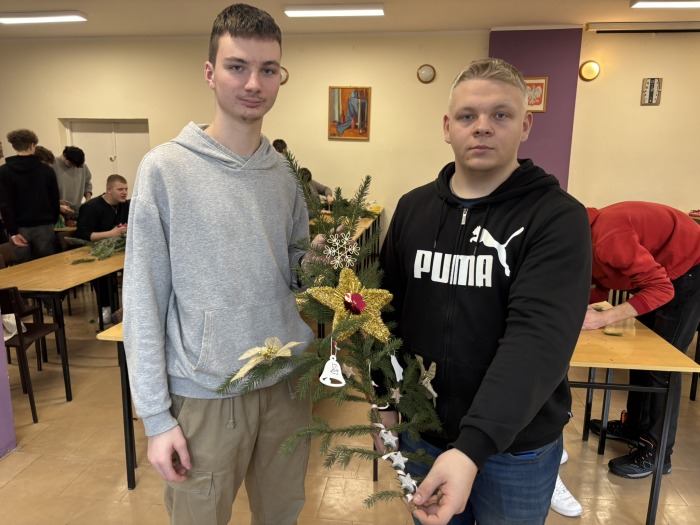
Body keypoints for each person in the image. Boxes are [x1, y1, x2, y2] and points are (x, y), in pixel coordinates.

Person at [122, 4, 316, 524]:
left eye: (268, 69)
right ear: (210, 73)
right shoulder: (165, 169)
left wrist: (318, 263)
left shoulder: (283, 175)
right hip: (207, 392)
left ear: (280, 77)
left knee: (282, 515)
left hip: (286, 381)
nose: (253, 83)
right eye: (237, 67)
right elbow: (142, 298)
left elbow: (294, 271)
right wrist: (156, 418)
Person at [378, 58, 591, 524]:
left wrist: (472, 448)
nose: (482, 127)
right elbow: (382, 315)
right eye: (467, 115)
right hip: (424, 434)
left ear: (525, 125)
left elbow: (537, 342)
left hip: (516, 450)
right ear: (447, 127)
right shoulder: (413, 209)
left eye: (500, 114)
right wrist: (384, 400)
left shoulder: (557, 218)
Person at [585, 201, 700, 479]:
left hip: (689, 269)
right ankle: (634, 428)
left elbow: (661, 289)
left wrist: (602, 318)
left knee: (662, 363)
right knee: (641, 355)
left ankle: (657, 454)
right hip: (662, 274)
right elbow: (601, 285)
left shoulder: (607, 238)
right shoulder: (588, 236)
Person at [75, 174, 130, 324]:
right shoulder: (91, 207)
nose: (124, 192)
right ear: (109, 189)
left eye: (126, 189)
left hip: (117, 249)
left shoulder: (125, 205)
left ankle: (127, 307)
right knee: (102, 273)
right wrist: (110, 234)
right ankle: (106, 307)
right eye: (120, 189)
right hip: (94, 251)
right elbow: (82, 235)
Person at [0, 129, 60, 263]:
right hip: (44, 225)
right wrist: (52, 220)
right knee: (47, 265)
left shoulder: (3, 171)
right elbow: (54, 199)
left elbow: (4, 204)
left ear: (13, 146)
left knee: (23, 268)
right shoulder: (46, 170)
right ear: (32, 146)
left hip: (18, 227)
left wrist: (12, 231)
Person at [53, 145, 93, 213]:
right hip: (57, 209)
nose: (73, 167)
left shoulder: (82, 167)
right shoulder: (52, 164)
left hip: (76, 209)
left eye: (76, 166)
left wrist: (88, 199)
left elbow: (87, 184)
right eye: (71, 163)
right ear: (64, 155)